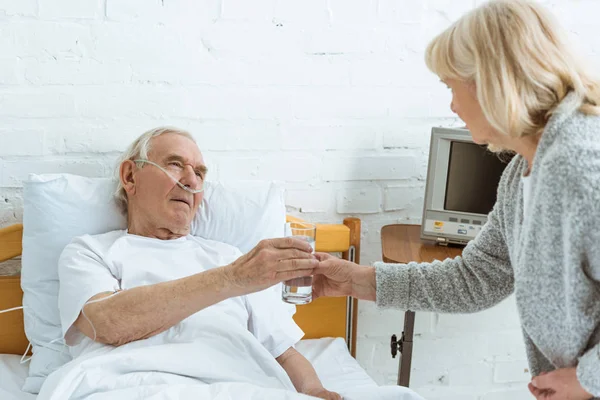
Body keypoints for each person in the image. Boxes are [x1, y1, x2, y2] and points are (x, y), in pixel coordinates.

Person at [312, 1, 600, 399]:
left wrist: (588, 378)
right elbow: (477, 278)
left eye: (451, 86)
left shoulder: (584, 163)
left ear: (492, 81)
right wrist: (359, 281)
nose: (451, 105)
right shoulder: (523, 173)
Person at [52, 127, 341, 400]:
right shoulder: (90, 251)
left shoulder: (231, 258)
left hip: (238, 387)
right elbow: (107, 323)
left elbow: (284, 353)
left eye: (199, 173)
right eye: (176, 164)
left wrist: (314, 390)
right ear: (130, 176)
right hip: (130, 386)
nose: (191, 181)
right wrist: (231, 280)